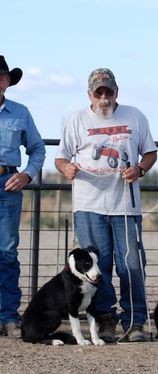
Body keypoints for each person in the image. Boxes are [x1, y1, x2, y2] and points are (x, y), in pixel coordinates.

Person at [55, 68, 157, 343]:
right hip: (89, 205)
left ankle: (135, 321)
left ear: (116, 92)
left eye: (108, 92)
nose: (103, 97)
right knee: (97, 268)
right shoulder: (76, 119)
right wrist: (67, 169)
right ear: (90, 94)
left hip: (125, 206)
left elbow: (150, 152)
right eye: (98, 92)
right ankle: (104, 319)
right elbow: (61, 157)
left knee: (132, 265)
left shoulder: (135, 116)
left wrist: (139, 170)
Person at [0, 56, 46, 338]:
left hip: (8, 184)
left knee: (6, 252)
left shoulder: (20, 112)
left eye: (1, 77)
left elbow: (38, 149)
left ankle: (7, 316)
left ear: (7, 82)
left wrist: (27, 174)